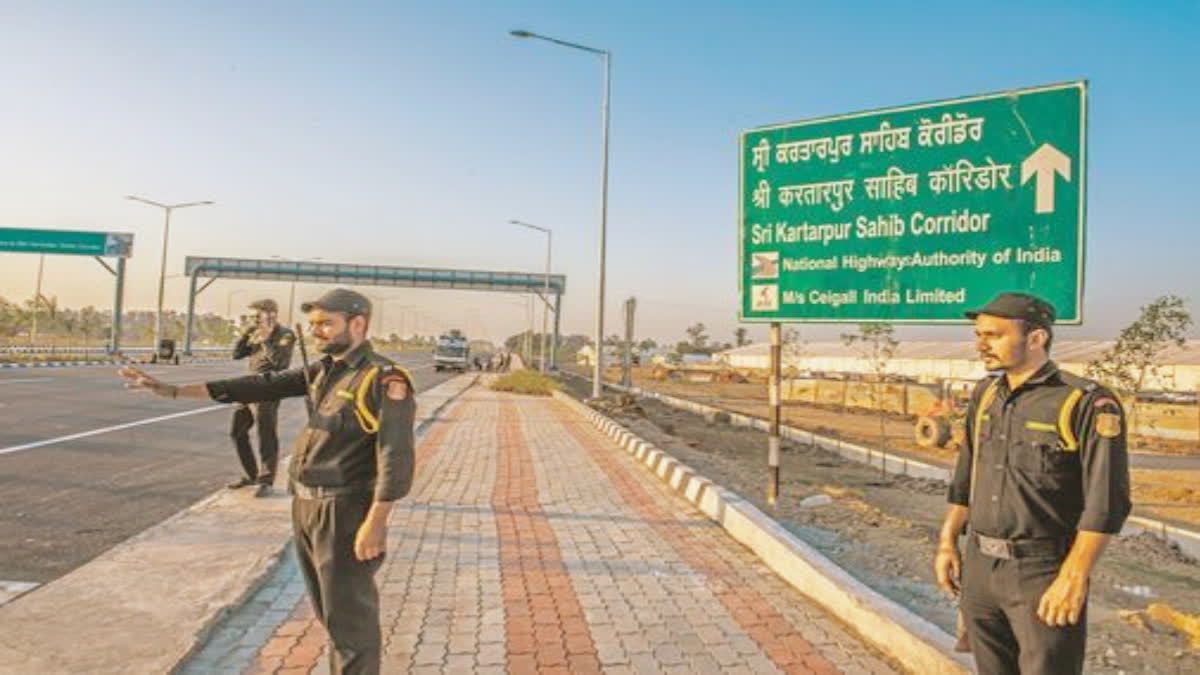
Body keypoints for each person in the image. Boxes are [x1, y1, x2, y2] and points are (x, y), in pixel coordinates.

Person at [120, 288, 416, 675]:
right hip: (307, 505)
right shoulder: (323, 370)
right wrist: (173, 390)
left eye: (327, 324)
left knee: (350, 624)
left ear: (358, 324)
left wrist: (376, 522)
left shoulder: (381, 378)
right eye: (313, 325)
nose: (318, 332)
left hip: (343, 512)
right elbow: (260, 385)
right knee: (331, 616)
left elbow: (396, 456)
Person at [933, 292, 1131, 675]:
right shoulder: (986, 394)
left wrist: (1074, 576)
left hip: (1041, 572)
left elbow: (1107, 500)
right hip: (980, 566)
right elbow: (966, 474)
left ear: (1036, 338)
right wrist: (947, 543)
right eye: (979, 335)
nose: (981, 344)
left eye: (993, 335)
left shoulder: (1084, 402)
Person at [228, 298, 296, 497]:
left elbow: (279, 362)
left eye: (257, 315)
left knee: (266, 435)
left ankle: (266, 481)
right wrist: (248, 333)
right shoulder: (255, 333)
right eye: (253, 316)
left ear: (271, 314)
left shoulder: (286, 335)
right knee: (237, 432)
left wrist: (266, 338)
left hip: (268, 389)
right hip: (248, 389)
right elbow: (237, 354)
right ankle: (252, 475)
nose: (254, 319)